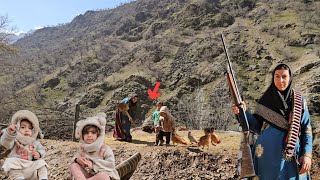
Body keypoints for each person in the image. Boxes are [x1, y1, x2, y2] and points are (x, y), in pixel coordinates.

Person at [232, 64, 312, 179]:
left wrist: (307, 155)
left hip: (291, 157)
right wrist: (243, 112)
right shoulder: (265, 100)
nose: (280, 80)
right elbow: (255, 126)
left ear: (290, 78)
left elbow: (306, 130)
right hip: (266, 158)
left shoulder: (299, 101)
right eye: (277, 76)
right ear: (273, 78)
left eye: (284, 76)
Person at [70, 112, 120, 180]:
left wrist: (93, 165)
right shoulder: (82, 149)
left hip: (102, 176)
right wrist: (77, 160)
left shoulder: (105, 149)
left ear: (98, 134)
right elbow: (74, 159)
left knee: (103, 176)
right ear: (82, 135)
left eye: (93, 132)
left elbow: (111, 164)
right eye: (86, 133)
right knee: (74, 166)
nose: (89, 135)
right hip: (87, 176)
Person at [0, 110, 48, 180]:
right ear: (17, 128)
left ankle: (43, 178)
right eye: (23, 127)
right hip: (18, 167)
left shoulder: (34, 142)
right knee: (9, 161)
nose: (26, 130)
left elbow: (42, 150)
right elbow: (6, 143)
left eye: (30, 128)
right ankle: (19, 178)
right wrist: (10, 133)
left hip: (30, 166)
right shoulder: (14, 140)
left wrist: (39, 154)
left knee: (41, 163)